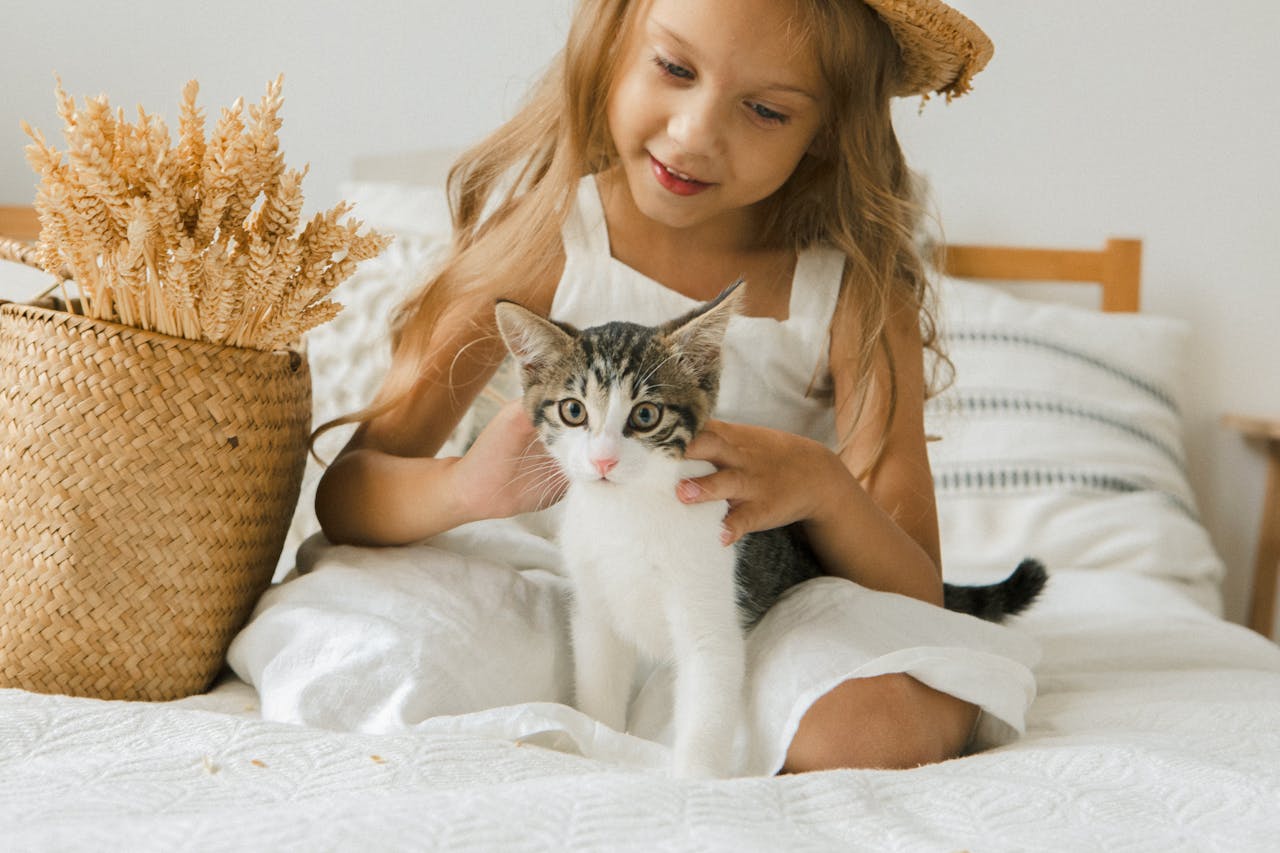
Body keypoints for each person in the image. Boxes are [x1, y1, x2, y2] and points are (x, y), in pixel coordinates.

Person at [231, 0, 1036, 775]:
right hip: (564, 584)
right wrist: (461, 487)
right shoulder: (549, 236)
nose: (694, 135)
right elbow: (349, 497)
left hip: (758, 608)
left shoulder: (853, 290)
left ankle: (688, 729)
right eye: (675, 67)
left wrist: (821, 485)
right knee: (379, 654)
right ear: (614, 42)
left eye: (766, 111)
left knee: (876, 719)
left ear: (828, 131)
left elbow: (913, 591)